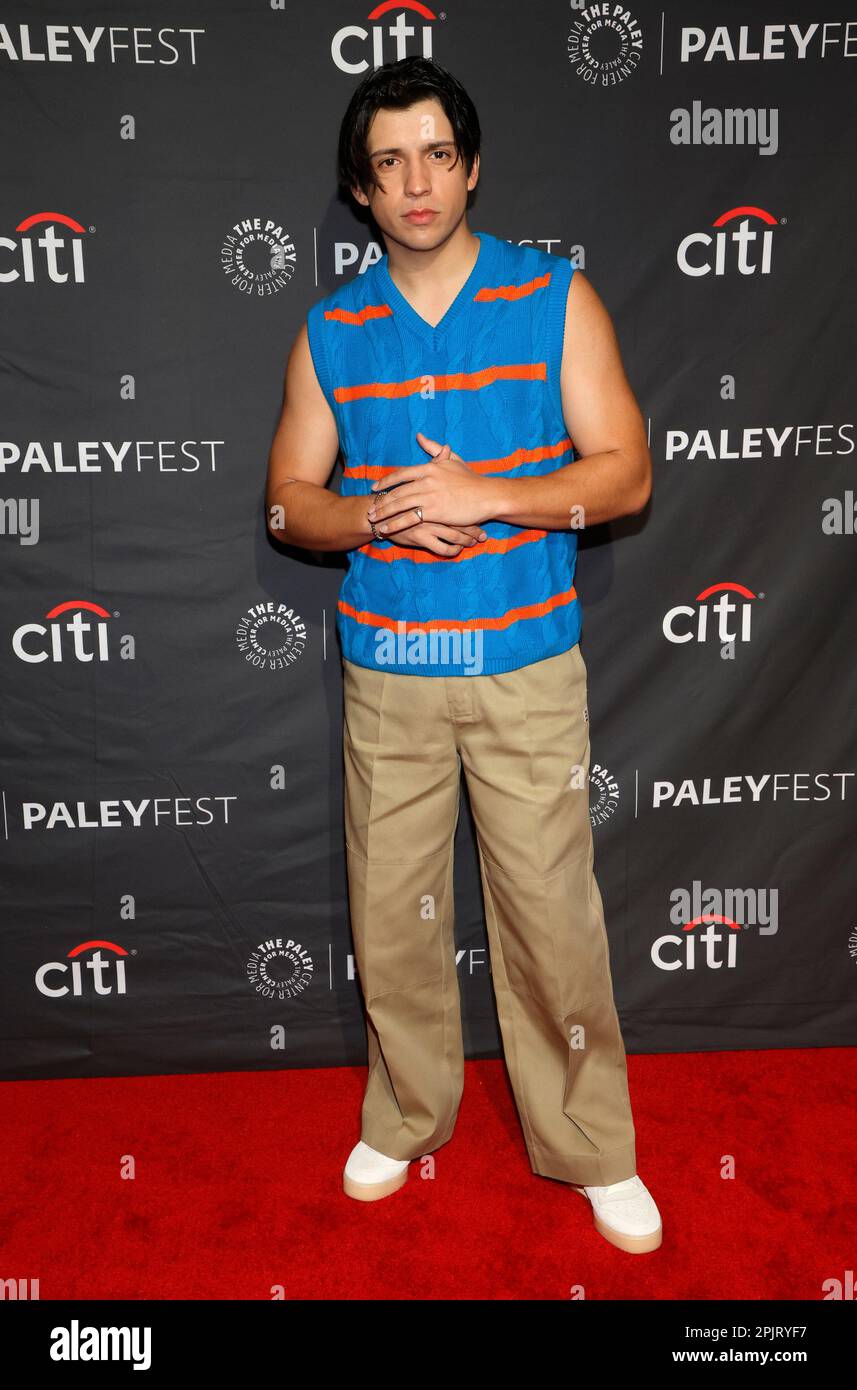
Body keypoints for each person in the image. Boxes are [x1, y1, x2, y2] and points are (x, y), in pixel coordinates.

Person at [265, 56, 660, 1255]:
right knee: (392, 917)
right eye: (388, 162)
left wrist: (489, 494)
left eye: (435, 153)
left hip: (522, 668)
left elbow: (625, 475)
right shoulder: (330, 330)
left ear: (471, 166)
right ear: (362, 190)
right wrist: (374, 511)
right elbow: (288, 505)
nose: (415, 180)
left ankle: (592, 1146)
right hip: (387, 671)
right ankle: (405, 1113)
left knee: (550, 919)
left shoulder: (553, 300)